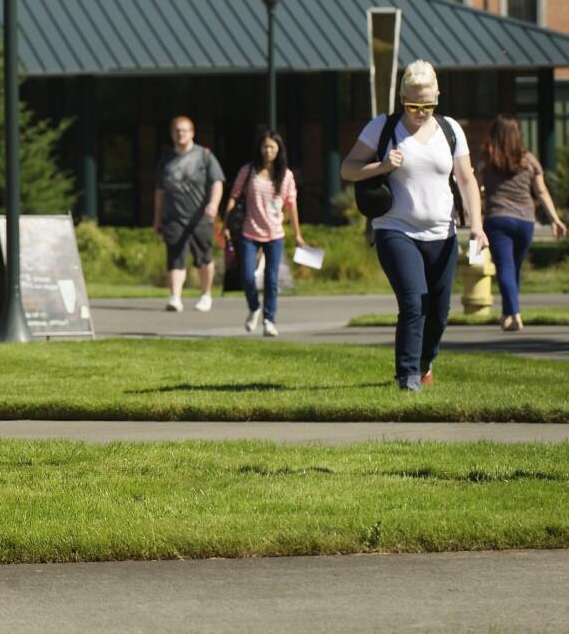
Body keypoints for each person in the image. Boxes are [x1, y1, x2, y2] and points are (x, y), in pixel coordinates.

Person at [341, 60, 486, 392]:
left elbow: (466, 180)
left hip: (442, 234)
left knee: (440, 312)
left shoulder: (451, 130)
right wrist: (380, 165)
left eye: (428, 105)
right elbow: (348, 169)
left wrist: (477, 226)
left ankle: (424, 362)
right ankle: (407, 376)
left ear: (438, 95)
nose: (421, 112)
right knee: (413, 302)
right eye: (413, 105)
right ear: (402, 97)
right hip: (396, 228)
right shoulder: (383, 128)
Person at [475, 114, 567, 331]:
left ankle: (514, 313)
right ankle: (508, 314)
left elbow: (475, 189)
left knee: (506, 267)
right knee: (513, 267)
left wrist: (474, 216)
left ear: (495, 134)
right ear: (518, 135)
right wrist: (555, 219)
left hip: (497, 219)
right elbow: (541, 191)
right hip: (526, 221)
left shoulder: (486, 158)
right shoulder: (529, 160)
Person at [224, 130, 306, 337]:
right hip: (249, 232)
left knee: (271, 279)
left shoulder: (286, 175)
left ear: (279, 150)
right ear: (259, 149)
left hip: (275, 234)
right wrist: (226, 223)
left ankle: (269, 320)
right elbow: (234, 196)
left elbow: (291, 206)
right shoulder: (248, 171)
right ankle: (254, 307)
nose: (268, 151)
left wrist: (298, 234)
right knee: (248, 277)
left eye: (272, 147)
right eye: (265, 146)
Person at [153, 116, 225, 312]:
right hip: (175, 217)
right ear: (171, 134)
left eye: (184, 130)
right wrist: (157, 219)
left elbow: (217, 183)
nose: (180, 134)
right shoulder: (166, 160)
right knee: (175, 257)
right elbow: (160, 192)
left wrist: (213, 205)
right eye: (176, 130)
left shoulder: (205, 156)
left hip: (200, 217)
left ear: (192, 133)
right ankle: (175, 297)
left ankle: (205, 295)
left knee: (204, 257)